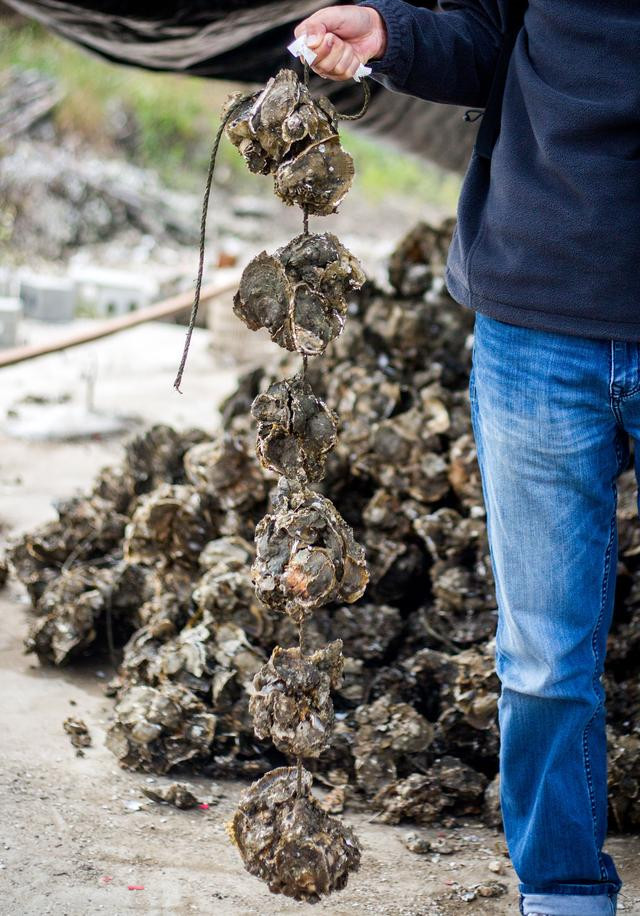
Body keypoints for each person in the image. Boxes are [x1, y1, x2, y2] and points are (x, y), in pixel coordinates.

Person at [292, 3, 640, 915]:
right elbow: (490, 32)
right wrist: (386, 33)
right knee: (543, 657)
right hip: (538, 318)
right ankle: (562, 893)